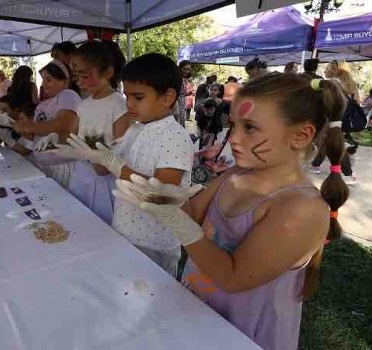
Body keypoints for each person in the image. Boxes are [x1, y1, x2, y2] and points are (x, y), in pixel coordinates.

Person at [113, 73, 350, 350]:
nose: (233, 138)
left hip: (241, 331)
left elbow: (233, 278)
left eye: (250, 128)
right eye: (233, 125)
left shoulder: (302, 209)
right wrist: (170, 200)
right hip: (196, 310)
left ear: (300, 136)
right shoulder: (236, 174)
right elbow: (193, 213)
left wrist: (182, 226)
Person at [59, 53, 194, 276]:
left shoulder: (174, 137)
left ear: (167, 97)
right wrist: (90, 152)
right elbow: (110, 159)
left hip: (154, 242)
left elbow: (162, 196)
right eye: (127, 95)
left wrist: (113, 163)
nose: (129, 104)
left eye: (138, 97)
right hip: (124, 231)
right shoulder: (136, 128)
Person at [43, 40, 129, 224]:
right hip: (81, 178)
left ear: (107, 72)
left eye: (85, 75)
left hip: (106, 186)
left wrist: (94, 155)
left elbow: (116, 159)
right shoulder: (84, 105)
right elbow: (72, 138)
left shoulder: (119, 105)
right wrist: (55, 138)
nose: (80, 82)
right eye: (77, 76)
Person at [11, 60, 81, 187]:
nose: (43, 84)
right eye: (43, 80)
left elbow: (64, 124)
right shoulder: (42, 105)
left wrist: (27, 127)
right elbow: (35, 136)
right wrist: (15, 129)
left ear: (64, 82)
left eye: (48, 79)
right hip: (44, 166)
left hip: (64, 167)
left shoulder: (67, 95)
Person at [309, 60, 358, 185]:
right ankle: (315, 164)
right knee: (326, 142)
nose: (326, 70)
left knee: (336, 145)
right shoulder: (351, 84)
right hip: (345, 119)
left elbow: (326, 103)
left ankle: (348, 174)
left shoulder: (333, 84)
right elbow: (357, 102)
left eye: (328, 68)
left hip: (332, 118)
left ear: (337, 69)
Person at [174, 60, 192, 127]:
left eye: (188, 69)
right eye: (185, 69)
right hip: (176, 104)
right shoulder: (176, 78)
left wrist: (186, 94)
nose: (186, 71)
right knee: (177, 123)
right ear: (180, 68)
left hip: (182, 103)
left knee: (181, 122)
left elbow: (181, 93)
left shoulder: (183, 79)